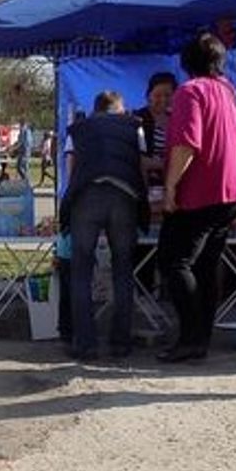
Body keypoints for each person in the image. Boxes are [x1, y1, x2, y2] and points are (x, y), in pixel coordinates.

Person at [156, 33, 236, 362]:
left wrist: (171, 187)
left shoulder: (190, 91)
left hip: (203, 189)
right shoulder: (229, 90)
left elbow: (187, 143)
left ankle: (190, 336)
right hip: (233, 189)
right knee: (207, 264)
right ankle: (201, 338)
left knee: (175, 260)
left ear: (186, 63)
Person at [61, 91, 149, 360]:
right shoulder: (134, 127)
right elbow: (141, 168)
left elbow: (71, 168)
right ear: (120, 110)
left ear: (96, 109)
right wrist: (143, 201)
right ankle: (121, 342)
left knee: (81, 270)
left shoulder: (79, 128)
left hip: (87, 197)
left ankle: (85, 343)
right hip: (124, 197)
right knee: (123, 268)